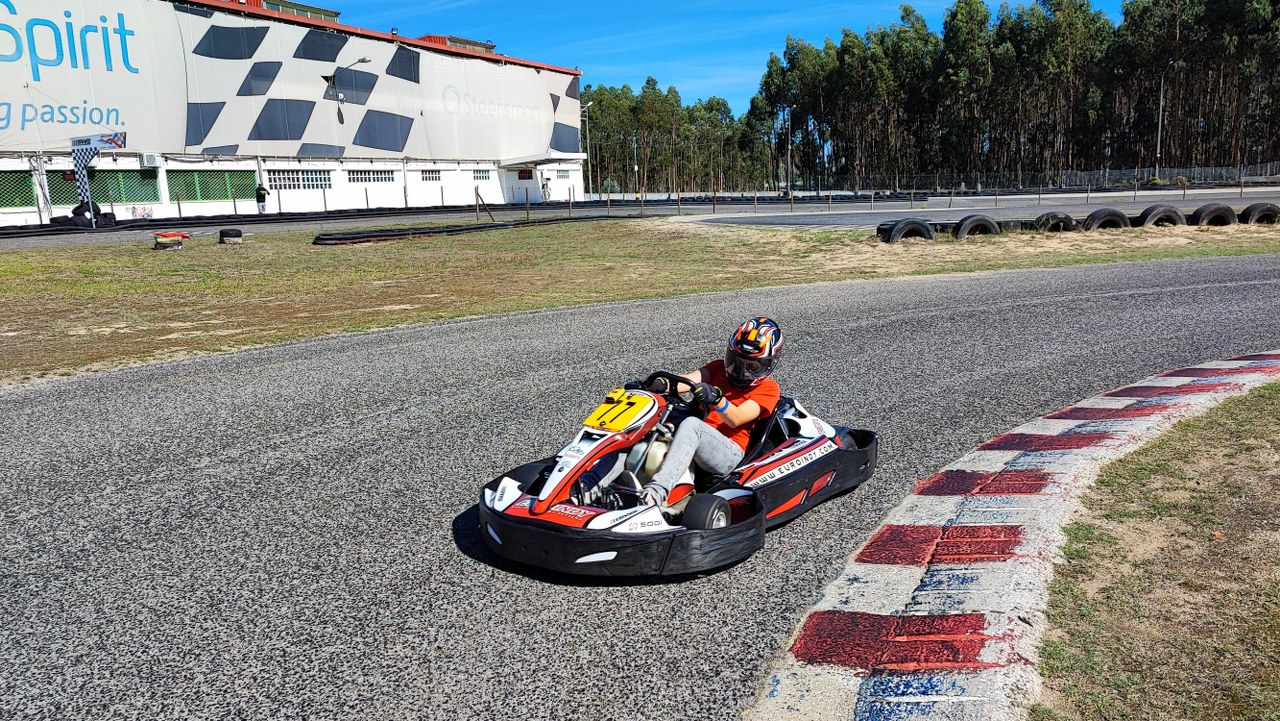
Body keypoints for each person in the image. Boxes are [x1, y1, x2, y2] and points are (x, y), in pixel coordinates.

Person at [639, 317, 783, 506]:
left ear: (767, 365)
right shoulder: (717, 369)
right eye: (737, 362)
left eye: (752, 366)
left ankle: (656, 493)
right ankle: (594, 484)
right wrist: (661, 384)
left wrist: (717, 398)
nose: (742, 371)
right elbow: (688, 380)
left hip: (730, 453)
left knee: (692, 425)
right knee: (646, 424)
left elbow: (737, 418)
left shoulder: (769, 389)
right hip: (696, 439)